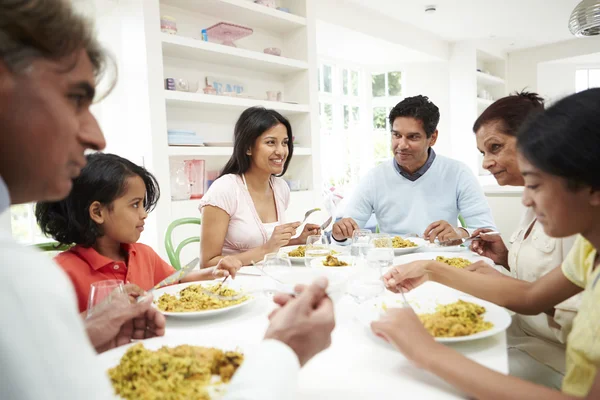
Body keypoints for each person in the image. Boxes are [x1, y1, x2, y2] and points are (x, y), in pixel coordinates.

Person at [0, 2, 334, 399]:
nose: (96, 135)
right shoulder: (27, 281)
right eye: (75, 99)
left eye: (285, 143)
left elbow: (174, 279)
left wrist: (82, 336)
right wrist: (285, 348)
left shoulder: (133, 255)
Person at [379, 88, 600, 398]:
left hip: (549, 354)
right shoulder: (591, 249)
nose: (525, 197)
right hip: (529, 336)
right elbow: (533, 295)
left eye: (535, 184)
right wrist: (431, 268)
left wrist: (427, 353)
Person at [468, 91, 580, 388]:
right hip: (519, 332)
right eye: (483, 153)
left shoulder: (572, 210)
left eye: (495, 148)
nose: (486, 163)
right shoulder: (531, 201)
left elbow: (546, 301)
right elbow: (547, 279)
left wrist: (496, 284)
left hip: (555, 354)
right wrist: (506, 257)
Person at [35, 153, 241, 313]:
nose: (144, 214)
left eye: (143, 204)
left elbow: (174, 282)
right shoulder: (61, 273)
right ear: (97, 212)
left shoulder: (143, 254)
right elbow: (53, 335)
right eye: (135, 205)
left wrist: (210, 274)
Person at [331, 95, 496, 244]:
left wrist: (460, 232)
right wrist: (340, 235)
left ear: (433, 138)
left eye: (413, 137)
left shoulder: (458, 173)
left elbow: (487, 231)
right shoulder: (375, 177)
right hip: (392, 264)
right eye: (396, 135)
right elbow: (347, 237)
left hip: (441, 263)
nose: (402, 145)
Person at [200, 106, 320, 267]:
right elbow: (207, 263)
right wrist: (266, 249)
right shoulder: (224, 189)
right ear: (248, 148)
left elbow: (271, 249)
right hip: (231, 284)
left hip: (268, 278)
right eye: (271, 142)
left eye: (285, 143)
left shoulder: (280, 188)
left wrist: (299, 240)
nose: (281, 151)